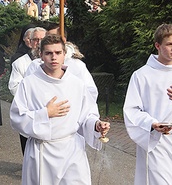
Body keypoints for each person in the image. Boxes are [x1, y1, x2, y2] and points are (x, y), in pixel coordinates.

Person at [10, 34, 110, 184]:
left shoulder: (76, 84)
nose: (53, 57)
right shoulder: (29, 83)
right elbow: (17, 117)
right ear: (41, 56)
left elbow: (86, 115)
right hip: (42, 151)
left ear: (64, 55)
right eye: (48, 53)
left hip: (71, 149)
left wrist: (96, 124)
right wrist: (45, 114)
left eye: (58, 53)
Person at [123, 23, 172, 185]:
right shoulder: (142, 75)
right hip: (156, 143)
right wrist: (152, 123)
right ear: (157, 45)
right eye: (170, 44)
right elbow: (132, 110)